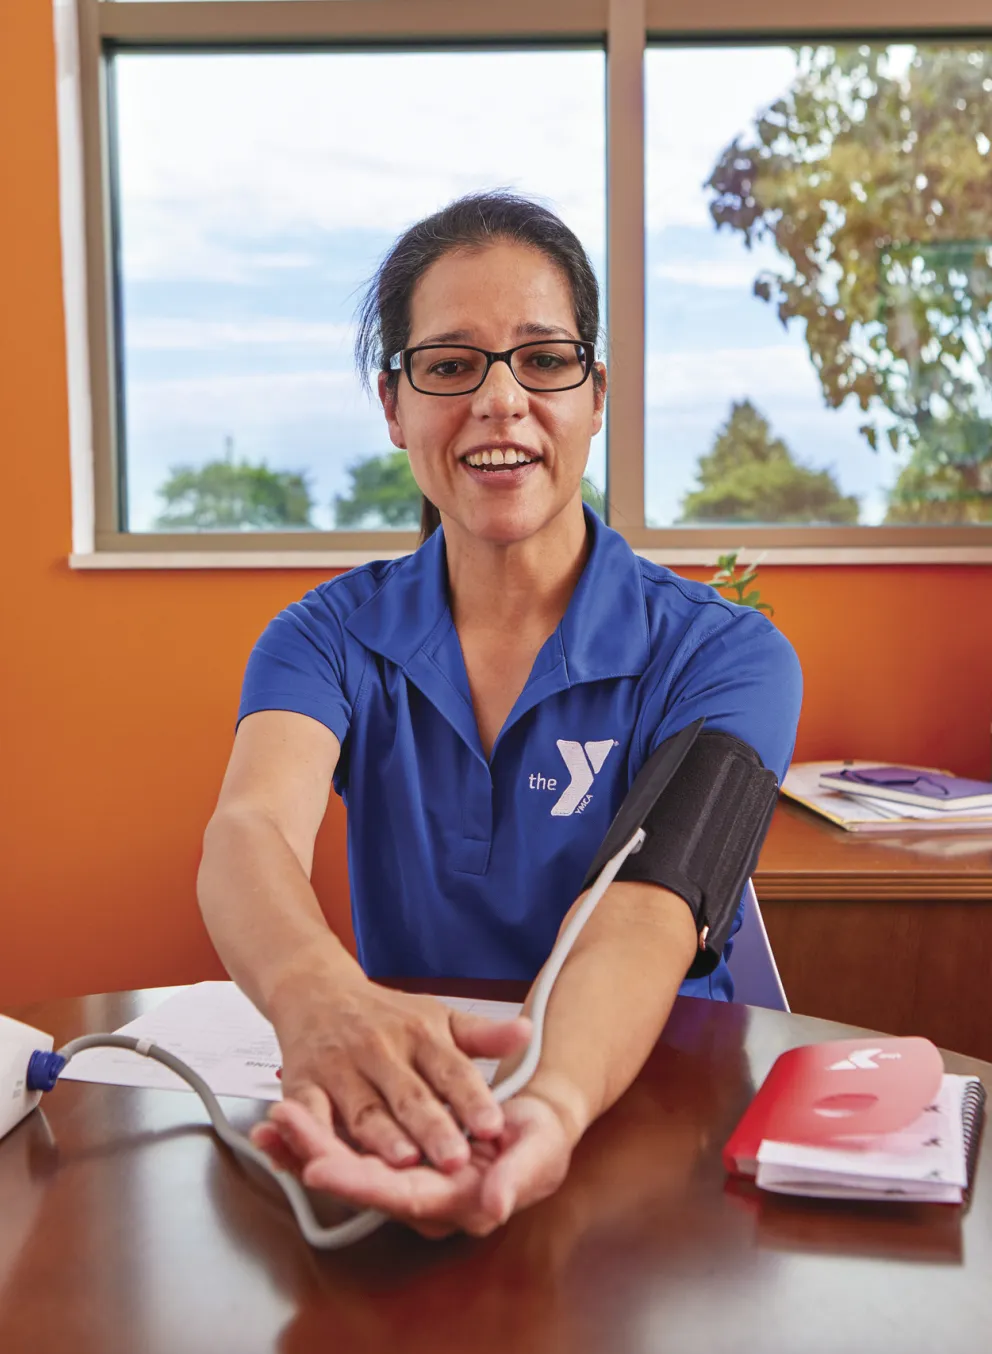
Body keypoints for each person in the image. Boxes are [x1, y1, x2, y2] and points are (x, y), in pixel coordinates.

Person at [197, 190, 802, 1240]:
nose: (499, 400)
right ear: (393, 405)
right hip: (408, 1098)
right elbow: (249, 829)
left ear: (594, 392)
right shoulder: (322, 638)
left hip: (644, 1122)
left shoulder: (725, 654)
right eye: (448, 364)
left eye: (542, 358)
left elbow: (644, 907)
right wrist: (317, 996)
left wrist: (546, 1105)